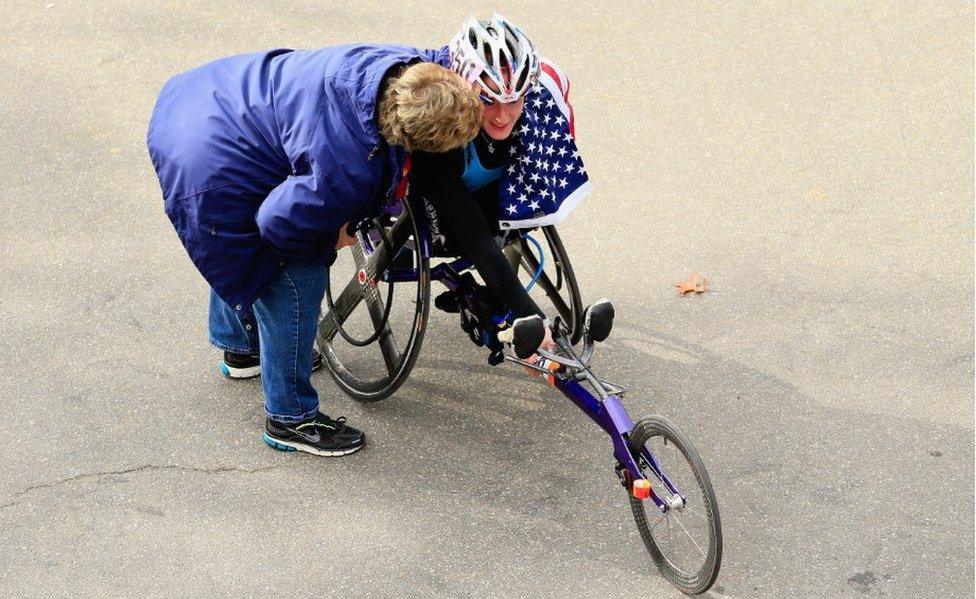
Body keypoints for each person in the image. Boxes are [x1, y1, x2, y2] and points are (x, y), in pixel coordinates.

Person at [146, 45, 483, 457]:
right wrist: (332, 238)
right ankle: (290, 418)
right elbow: (277, 224)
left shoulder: (397, 66)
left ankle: (241, 349)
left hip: (207, 99)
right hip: (205, 165)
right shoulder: (350, 167)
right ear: (412, 141)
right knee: (294, 274)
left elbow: (447, 51)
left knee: (235, 249)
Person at [412, 13, 588, 354]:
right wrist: (530, 315)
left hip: (496, 192)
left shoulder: (541, 100)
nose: (503, 115)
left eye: (513, 101)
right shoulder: (434, 131)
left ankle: (493, 290)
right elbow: (474, 235)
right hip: (443, 198)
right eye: (489, 101)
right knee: (466, 234)